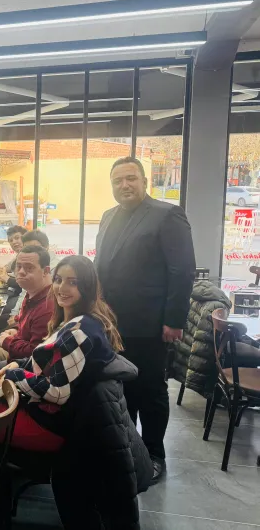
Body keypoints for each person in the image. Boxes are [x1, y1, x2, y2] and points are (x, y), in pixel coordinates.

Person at [0, 256, 122, 459]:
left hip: (49, 427)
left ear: (87, 286)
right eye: (58, 280)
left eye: (73, 282)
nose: (62, 288)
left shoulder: (78, 332)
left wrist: (17, 375)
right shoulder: (79, 320)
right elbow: (49, 360)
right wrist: (18, 364)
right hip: (45, 412)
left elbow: (58, 392)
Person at [95, 156, 196, 485]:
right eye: (117, 181)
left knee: (150, 390)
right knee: (120, 388)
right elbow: (101, 267)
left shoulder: (167, 215)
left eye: (131, 178)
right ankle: (127, 448)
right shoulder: (108, 216)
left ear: (144, 181)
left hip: (151, 324)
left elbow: (182, 271)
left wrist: (174, 320)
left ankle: (154, 455)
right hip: (111, 323)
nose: (124, 185)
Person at [0, 246, 54, 381]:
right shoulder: (32, 292)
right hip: (18, 356)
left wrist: (8, 342)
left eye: (29, 268)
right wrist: (15, 329)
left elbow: (36, 353)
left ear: (46, 271)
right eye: (18, 267)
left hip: (31, 373)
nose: (21, 272)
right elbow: (25, 322)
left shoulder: (47, 306)